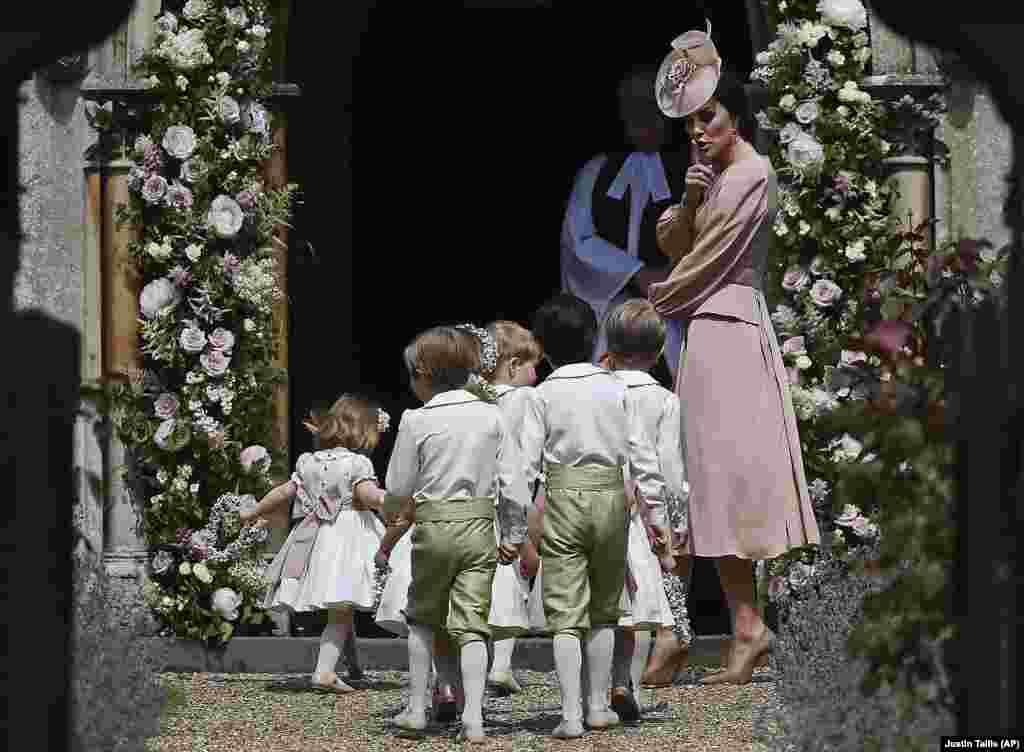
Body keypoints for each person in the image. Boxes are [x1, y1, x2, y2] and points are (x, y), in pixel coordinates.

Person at [647, 22, 821, 685]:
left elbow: (706, 260)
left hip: (728, 330)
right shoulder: (710, 175)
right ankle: (736, 628)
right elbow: (675, 243)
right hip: (706, 335)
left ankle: (736, 627)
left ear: (735, 115)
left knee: (724, 480)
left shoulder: (751, 173)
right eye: (689, 121)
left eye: (709, 117)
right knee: (703, 484)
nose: (696, 130)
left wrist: (649, 310)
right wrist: (688, 196)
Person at [519, 293, 670, 739]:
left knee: (566, 612)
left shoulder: (541, 394)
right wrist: (657, 516)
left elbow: (525, 465)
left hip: (563, 494)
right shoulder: (617, 388)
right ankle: (598, 705)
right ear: (594, 338)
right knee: (606, 608)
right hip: (611, 499)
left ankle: (570, 713)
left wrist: (513, 522)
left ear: (542, 348)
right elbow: (642, 456)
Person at [384, 325, 530, 744]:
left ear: (424, 373)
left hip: (432, 527)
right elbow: (513, 485)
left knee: (422, 619)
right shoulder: (492, 416)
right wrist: (515, 534)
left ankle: (415, 708)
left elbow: (398, 486)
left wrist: (393, 516)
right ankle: (474, 718)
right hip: (480, 528)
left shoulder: (417, 419)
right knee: (472, 625)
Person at [239, 395, 390, 694]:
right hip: (347, 536)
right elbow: (369, 494)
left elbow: (282, 493)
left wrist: (254, 511)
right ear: (360, 430)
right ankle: (324, 672)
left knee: (341, 606)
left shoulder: (308, 462)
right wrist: (391, 502)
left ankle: (354, 666)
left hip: (314, 536)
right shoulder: (357, 463)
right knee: (342, 607)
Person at [560, 64, 689, 388]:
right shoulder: (597, 171)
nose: (642, 117)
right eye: (632, 107)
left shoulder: (691, 170)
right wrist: (635, 273)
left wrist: (672, 277)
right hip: (613, 310)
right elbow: (579, 240)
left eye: (650, 106)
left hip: (675, 306)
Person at [597, 299, 693, 718]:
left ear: (610, 346)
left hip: (595, 505)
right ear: (657, 354)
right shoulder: (664, 401)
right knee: (634, 612)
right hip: (640, 517)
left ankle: (593, 690)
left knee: (599, 605)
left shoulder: (597, 389)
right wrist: (678, 522)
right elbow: (670, 469)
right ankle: (625, 684)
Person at [480, 321, 545, 695]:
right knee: (512, 576)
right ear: (513, 363)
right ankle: (500, 664)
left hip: (474, 500)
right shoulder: (525, 399)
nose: (536, 375)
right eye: (532, 366)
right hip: (510, 496)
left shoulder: (472, 397)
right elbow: (529, 455)